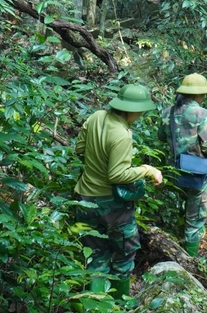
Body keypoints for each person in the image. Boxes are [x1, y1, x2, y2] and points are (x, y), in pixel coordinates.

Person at [74, 84, 163, 298]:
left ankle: (94, 307)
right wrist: (147, 170)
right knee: (124, 256)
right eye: (140, 110)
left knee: (94, 258)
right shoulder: (122, 135)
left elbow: (79, 150)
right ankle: (119, 304)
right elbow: (117, 175)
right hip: (112, 206)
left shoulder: (96, 117)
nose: (141, 115)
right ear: (130, 109)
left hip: (84, 199)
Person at [157, 73, 207, 257]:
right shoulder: (202, 114)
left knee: (178, 211)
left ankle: (175, 245)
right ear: (198, 95)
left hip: (173, 171)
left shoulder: (168, 111)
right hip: (196, 173)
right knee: (195, 217)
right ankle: (191, 262)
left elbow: (160, 137)